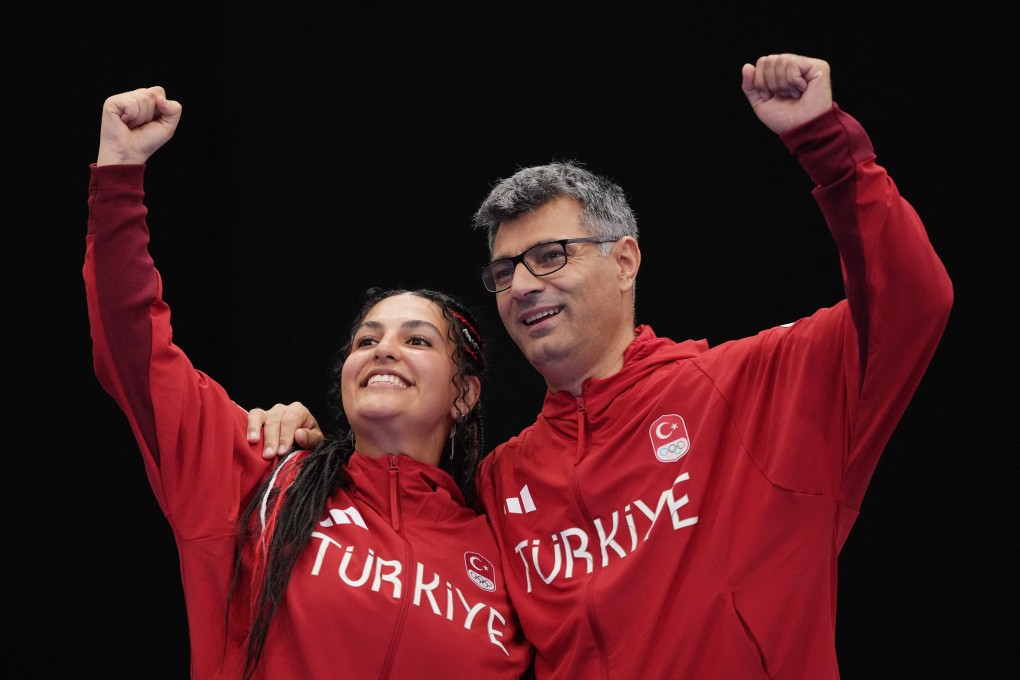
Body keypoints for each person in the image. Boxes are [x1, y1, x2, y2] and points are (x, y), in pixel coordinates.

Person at [250, 53, 954, 678]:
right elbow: (401, 547)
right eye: (504, 272)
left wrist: (825, 144)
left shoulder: (755, 387)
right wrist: (302, 447)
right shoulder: (501, 480)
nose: (524, 286)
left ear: (624, 261)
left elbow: (912, 302)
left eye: (550, 256)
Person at [84, 87, 533, 679]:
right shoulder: (262, 477)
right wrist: (120, 176)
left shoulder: (503, 551)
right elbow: (135, 347)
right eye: (366, 340)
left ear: (465, 394)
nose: (383, 350)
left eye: (417, 341)